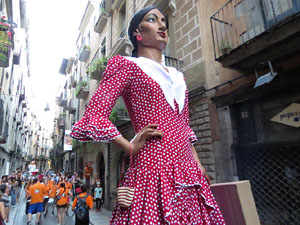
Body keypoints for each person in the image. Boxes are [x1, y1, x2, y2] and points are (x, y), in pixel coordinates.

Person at [71, 5, 225, 224]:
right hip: (152, 168)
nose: (162, 25)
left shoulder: (178, 76)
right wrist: (129, 146)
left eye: (164, 21)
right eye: (153, 20)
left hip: (189, 173)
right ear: (138, 33)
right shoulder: (126, 66)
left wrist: (199, 166)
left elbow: (185, 127)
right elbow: (95, 115)